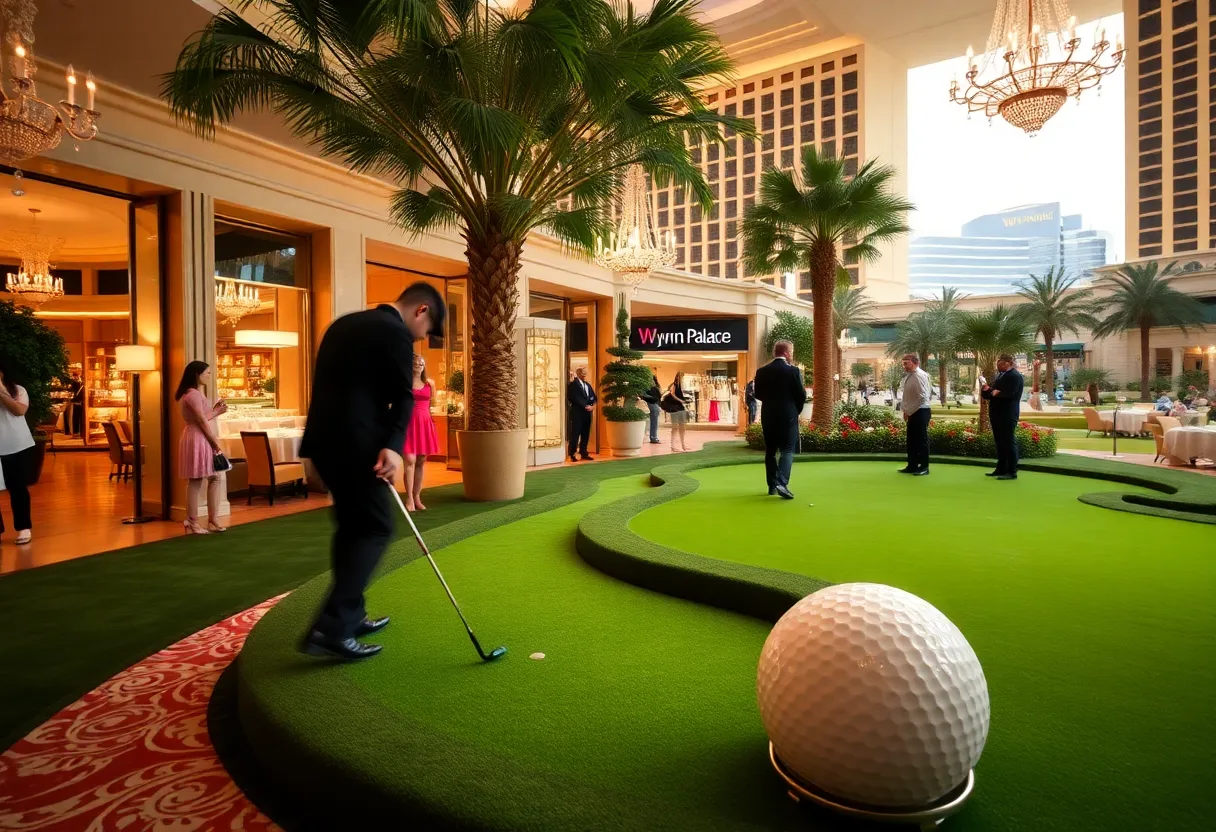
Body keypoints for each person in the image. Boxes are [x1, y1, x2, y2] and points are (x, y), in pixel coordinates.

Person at [299, 282, 446, 662]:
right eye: (427, 330)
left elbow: (353, 390)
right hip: (358, 447)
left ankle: (352, 613)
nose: (422, 337)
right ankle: (332, 628)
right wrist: (394, 447)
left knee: (353, 527)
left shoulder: (346, 323)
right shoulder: (395, 332)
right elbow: (402, 398)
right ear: (421, 312)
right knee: (374, 527)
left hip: (325, 445)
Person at [175, 361, 229, 534]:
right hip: (199, 437)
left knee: (213, 477)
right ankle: (194, 521)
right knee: (197, 480)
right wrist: (214, 442)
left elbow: (201, 417)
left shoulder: (189, 394)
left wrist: (214, 411)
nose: (209, 376)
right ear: (197, 374)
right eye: (207, 373)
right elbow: (201, 420)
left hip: (194, 435)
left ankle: (211, 519)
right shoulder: (194, 395)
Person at [753, 341, 806, 499]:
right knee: (787, 450)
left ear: (775, 352)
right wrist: (796, 409)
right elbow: (801, 395)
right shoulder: (793, 371)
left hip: (768, 413)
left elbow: (757, 394)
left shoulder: (761, 371)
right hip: (788, 414)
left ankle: (771, 486)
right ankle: (782, 483)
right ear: (788, 353)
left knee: (770, 451)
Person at [0, 357, 36, 544]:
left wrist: (2, 392)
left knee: (18, 489)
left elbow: (19, 411)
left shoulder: (18, 390)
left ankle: (23, 528)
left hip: (16, 446)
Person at [402, 354, 439, 511]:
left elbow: (433, 403)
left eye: (422, 363)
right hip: (408, 423)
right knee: (409, 461)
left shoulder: (430, 383)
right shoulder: (403, 382)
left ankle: (417, 496)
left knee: (421, 461)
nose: (419, 365)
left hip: (424, 423)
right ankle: (409, 498)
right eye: (416, 363)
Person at [981, 354, 1024, 480]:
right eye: (998, 363)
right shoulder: (1000, 375)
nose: (998, 366)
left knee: (1008, 441)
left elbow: (1010, 394)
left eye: (1001, 363)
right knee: (999, 442)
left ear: (1008, 363)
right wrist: (987, 390)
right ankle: (1001, 468)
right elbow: (991, 394)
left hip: (1007, 413)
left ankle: (1012, 470)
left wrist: (995, 393)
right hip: (996, 413)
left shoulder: (1015, 376)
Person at [898, 353, 932, 476]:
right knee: (911, 440)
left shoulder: (919, 375)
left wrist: (909, 410)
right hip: (913, 411)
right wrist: (906, 410)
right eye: (903, 363)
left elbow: (922, 397)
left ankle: (924, 467)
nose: (904, 366)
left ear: (915, 363)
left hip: (921, 411)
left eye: (906, 363)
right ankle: (912, 465)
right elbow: (908, 396)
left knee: (921, 440)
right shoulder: (910, 376)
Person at [567, 366, 596, 462]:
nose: (584, 374)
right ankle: (572, 453)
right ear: (578, 373)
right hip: (577, 413)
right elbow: (573, 397)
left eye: (585, 372)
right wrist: (584, 405)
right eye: (583, 372)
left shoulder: (587, 385)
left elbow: (593, 397)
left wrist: (592, 406)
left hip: (587, 413)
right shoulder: (573, 385)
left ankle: (584, 452)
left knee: (585, 433)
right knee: (575, 433)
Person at [662, 372, 692, 452]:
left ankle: (683, 445)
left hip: (680, 408)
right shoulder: (674, 385)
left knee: (682, 427)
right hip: (675, 408)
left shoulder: (681, 386)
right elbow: (672, 393)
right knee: (675, 427)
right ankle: (673, 446)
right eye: (680, 376)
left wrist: (682, 401)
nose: (681, 378)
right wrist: (680, 400)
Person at [641, 370, 662, 444]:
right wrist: (655, 400)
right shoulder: (650, 388)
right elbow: (656, 397)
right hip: (652, 405)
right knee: (653, 422)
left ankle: (653, 437)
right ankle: (653, 437)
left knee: (652, 422)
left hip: (653, 405)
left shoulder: (652, 388)